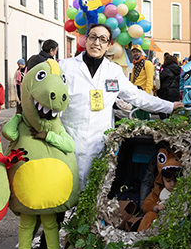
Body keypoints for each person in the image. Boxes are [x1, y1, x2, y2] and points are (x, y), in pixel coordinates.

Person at [61, 23, 183, 187]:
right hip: (70, 140)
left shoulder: (113, 71)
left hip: (99, 144)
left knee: (95, 194)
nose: (97, 43)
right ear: (86, 39)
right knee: (66, 190)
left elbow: (137, 97)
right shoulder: (66, 67)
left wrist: (169, 106)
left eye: (103, 39)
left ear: (108, 45)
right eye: (93, 37)